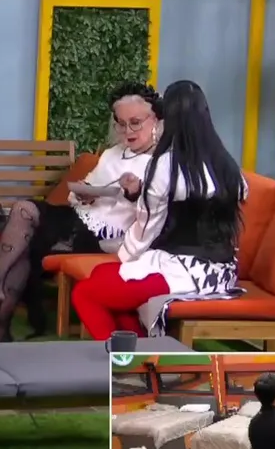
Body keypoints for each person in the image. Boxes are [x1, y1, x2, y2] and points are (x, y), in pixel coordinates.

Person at [0, 82, 163, 342]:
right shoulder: (112, 154)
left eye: (135, 123)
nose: (127, 131)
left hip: (108, 237)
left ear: (155, 120)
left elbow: (156, 212)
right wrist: (84, 193)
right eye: (121, 124)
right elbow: (78, 192)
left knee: (25, 241)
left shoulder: (163, 162)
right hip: (77, 217)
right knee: (23, 210)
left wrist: (135, 193)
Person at [70, 80, 246, 340]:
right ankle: (141, 349)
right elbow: (239, 196)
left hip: (183, 273)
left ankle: (124, 358)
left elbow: (146, 228)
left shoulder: (166, 167)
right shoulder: (226, 164)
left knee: (85, 293)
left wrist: (126, 258)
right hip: (222, 273)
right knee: (103, 276)